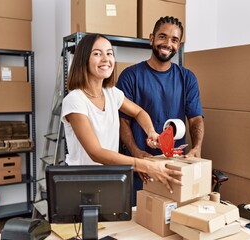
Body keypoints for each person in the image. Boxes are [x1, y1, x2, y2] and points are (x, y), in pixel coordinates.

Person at [61, 33, 182, 195]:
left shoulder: (112, 93)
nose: (106, 59)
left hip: (110, 180)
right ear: (83, 60)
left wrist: (151, 132)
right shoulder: (75, 100)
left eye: (109, 53)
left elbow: (139, 112)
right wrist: (144, 165)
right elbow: (96, 153)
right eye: (97, 53)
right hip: (83, 185)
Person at [116, 16, 205, 205]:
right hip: (142, 167)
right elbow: (123, 121)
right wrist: (136, 153)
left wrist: (197, 147)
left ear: (179, 46)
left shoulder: (187, 78)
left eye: (174, 40)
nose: (167, 44)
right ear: (151, 38)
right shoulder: (130, 76)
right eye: (162, 37)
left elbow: (195, 119)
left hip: (174, 166)